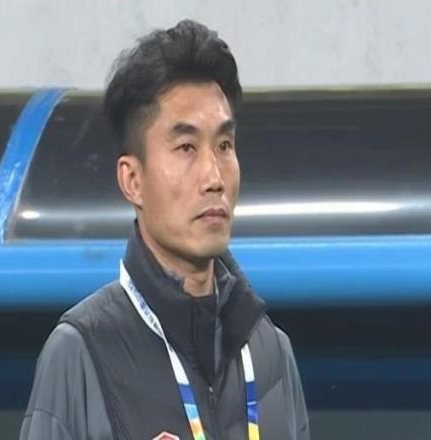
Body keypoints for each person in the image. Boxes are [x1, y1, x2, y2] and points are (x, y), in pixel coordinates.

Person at [20, 19, 309, 440]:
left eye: (224, 145)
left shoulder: (271, 353)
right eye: (186, 147)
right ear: (132, 180)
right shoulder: (81, 351)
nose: (214, 177)